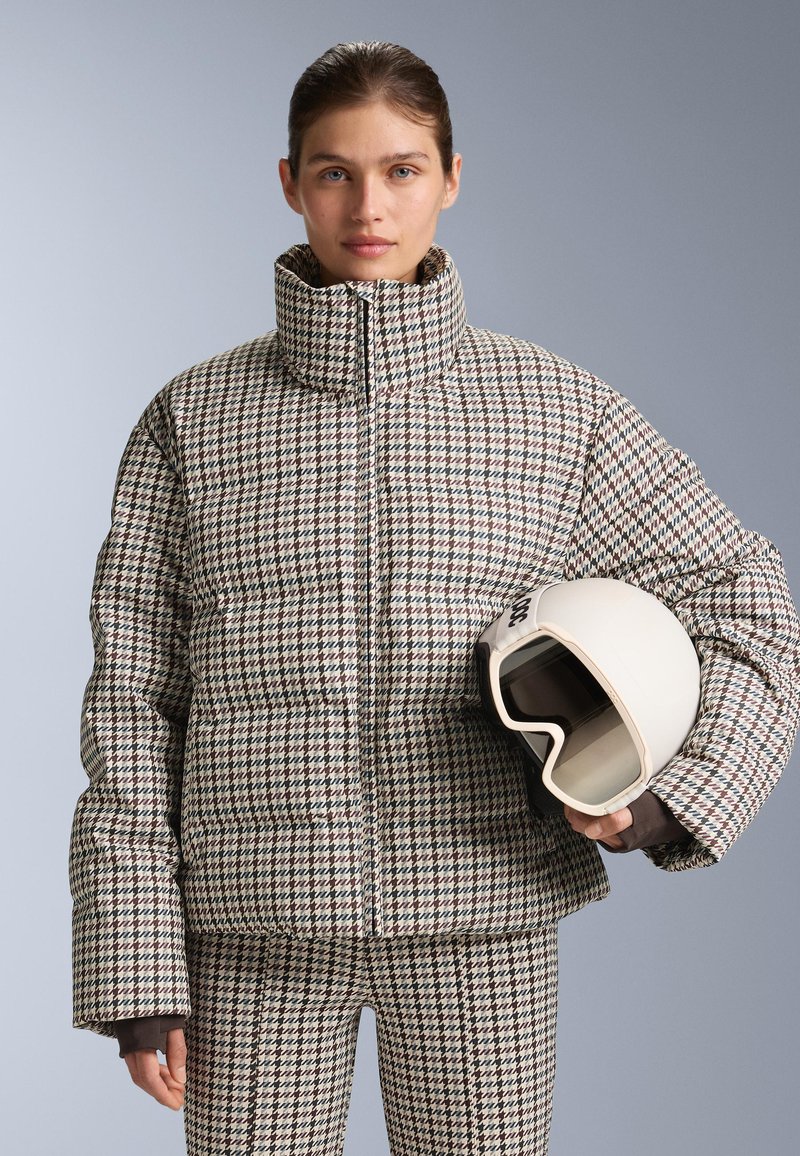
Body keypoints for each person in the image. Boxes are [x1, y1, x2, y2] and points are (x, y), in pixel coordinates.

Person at [69, 41, 800, 1156]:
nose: (369, 206)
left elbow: (747, 601)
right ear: (289, 182)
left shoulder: (555, 411)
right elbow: (130, 699)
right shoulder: (193, 419)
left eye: (402, 170)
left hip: (484, 925)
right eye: (335, 172)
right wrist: (136, 966)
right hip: (253, 933)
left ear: (451, 178)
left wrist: (667, 802)